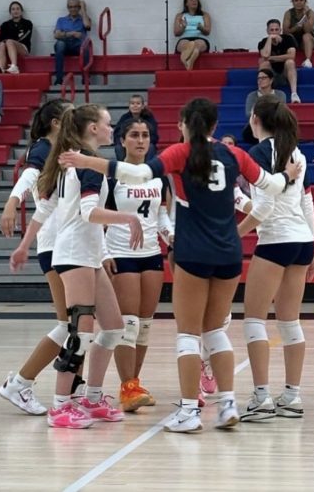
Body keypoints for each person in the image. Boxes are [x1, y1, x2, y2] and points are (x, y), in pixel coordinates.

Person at [58, 98, 302, 433]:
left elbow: (139, 172)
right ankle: (228, 402)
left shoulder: (180, 153)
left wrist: (88, 160)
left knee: (188, 334)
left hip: (193, 252)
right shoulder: (234, 155)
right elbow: (272, 187)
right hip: (230, 253)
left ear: (184, 124)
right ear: (215, 126)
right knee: (216, 330)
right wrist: (287, 177)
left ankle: (189, 411)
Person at [10, 104, 144, 429]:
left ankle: (93, 398)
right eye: (108, 123)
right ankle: (60, 406)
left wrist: (25, 245)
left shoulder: (75, 162)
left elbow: (47, 209)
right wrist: (128, 217)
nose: (112, 128)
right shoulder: (86, 166)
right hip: (74, 254)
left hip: (89, 253)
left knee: (113, 327)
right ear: (93, 128)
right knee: (79, 331)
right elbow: (88, 212)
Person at [237, 95, 314, 421]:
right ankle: (292, 396)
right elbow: (306, 204)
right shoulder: (297, 153)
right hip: (301, 241)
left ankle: (261, 398)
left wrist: (236, 234)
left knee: (254, 320)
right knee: (289, 321)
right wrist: (313, 247)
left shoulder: (257, 153)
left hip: (275, 241)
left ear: (255, 117)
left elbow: (266, 208)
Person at [0, 99, 75, 416]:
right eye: (70, 114)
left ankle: (75, 392)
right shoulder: (44, 148)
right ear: (57, 122)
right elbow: (29, 176)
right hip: (57, 245)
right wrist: (12, 201)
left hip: (70, 243)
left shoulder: (67, 152)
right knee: (71, 324)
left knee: (81, 324)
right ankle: (20, 382)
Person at [104, 119, 174, 412]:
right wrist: (103, 252)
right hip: (122, 252)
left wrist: (171, 238)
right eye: (134, 135)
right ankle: (127, 387)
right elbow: (97, 217)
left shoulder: (159, 177)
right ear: (122, 140)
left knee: (144, 326)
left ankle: (133, 383)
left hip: (151, 255)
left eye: (145, 135)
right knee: (128, 324)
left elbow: (161, 217)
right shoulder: (112, 177)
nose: (140, 140)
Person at [258, 19, 301, 103]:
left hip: (285, 74)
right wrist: (269, 39)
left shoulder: (288, 39)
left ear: (280, 30)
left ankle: (294, 94)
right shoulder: (263, 42)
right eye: (271, 30)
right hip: (271, 75)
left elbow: (292, 56)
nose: (274, 32)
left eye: (276, 30)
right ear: (267, 31)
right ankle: (262, 93)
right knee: (264, 64)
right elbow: (265, 55)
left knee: (290, 62)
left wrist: (272, 58)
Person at [243, 68, 288, 144]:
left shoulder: (280, 94)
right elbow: (248, 113)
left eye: (263, 78)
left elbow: (281, 111)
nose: (260, 80)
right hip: (258, 124)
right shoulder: (252, 96)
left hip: (275, 124)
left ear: (271, 80)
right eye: (259, 78)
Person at [53, 0, 91, 85]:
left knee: (86, 46)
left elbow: (87, 26)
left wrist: (84, 10)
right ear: (68, 8)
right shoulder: (61, 20)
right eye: (70, 7)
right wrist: (71, 33)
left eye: (75, 7)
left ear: (79, 7)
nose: (73, 9)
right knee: (60, 44)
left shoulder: (84, 19)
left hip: (78, 46)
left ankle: (85, 79)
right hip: (64, 45)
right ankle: (59, 79)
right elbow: (56, 35)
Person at [113, 94, 159, 161]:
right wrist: (126, 143)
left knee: (151, 147)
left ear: (143, 106)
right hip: (129, 144)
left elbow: (154, 136)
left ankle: (148, 168)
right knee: (118, 147)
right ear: (129, 106)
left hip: (143, 143)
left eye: (138, 103)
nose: (135, 105)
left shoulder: (149, 118)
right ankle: (123, 168)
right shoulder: (124, 118)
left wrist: (142, 141)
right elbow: (117, 134)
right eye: (132, 103)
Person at [174, 0, 211, 71]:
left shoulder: (205, 15)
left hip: (200, 38)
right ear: (186, 3)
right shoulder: (180, 16)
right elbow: (176, 33)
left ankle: (185, 59)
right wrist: (183, 27)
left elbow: (208, 31)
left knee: (197, 43)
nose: (194, 1)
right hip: (185, 38)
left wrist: (201, 28)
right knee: (184, 44)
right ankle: (191, 58)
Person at [282, 0, 314, 68]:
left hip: (308, 40)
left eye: (301, 0)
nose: (299, 2)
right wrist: (298, 26)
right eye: (296, 0)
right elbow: (285, 31)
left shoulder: (311, 13)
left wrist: (304, 16)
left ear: (305, 1)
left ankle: (308, 61)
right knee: (288, 38)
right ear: (292, 2)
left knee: (306, 36)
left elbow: (308, 30)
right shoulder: (288, 13)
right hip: (294, 40)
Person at [0, 1, 33, 74]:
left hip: (23, 48)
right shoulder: (5, 25)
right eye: (13, 9)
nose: (15, 11)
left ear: (21, 11)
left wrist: (9, 40)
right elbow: (0, 39)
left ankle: (14, 66)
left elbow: (24, 37)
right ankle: (1, 69)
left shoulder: (27, 23)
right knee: (2, 44)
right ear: (10, 12)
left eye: (17, 9)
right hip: (7, 47)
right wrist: (7, 41)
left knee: (9, 41)